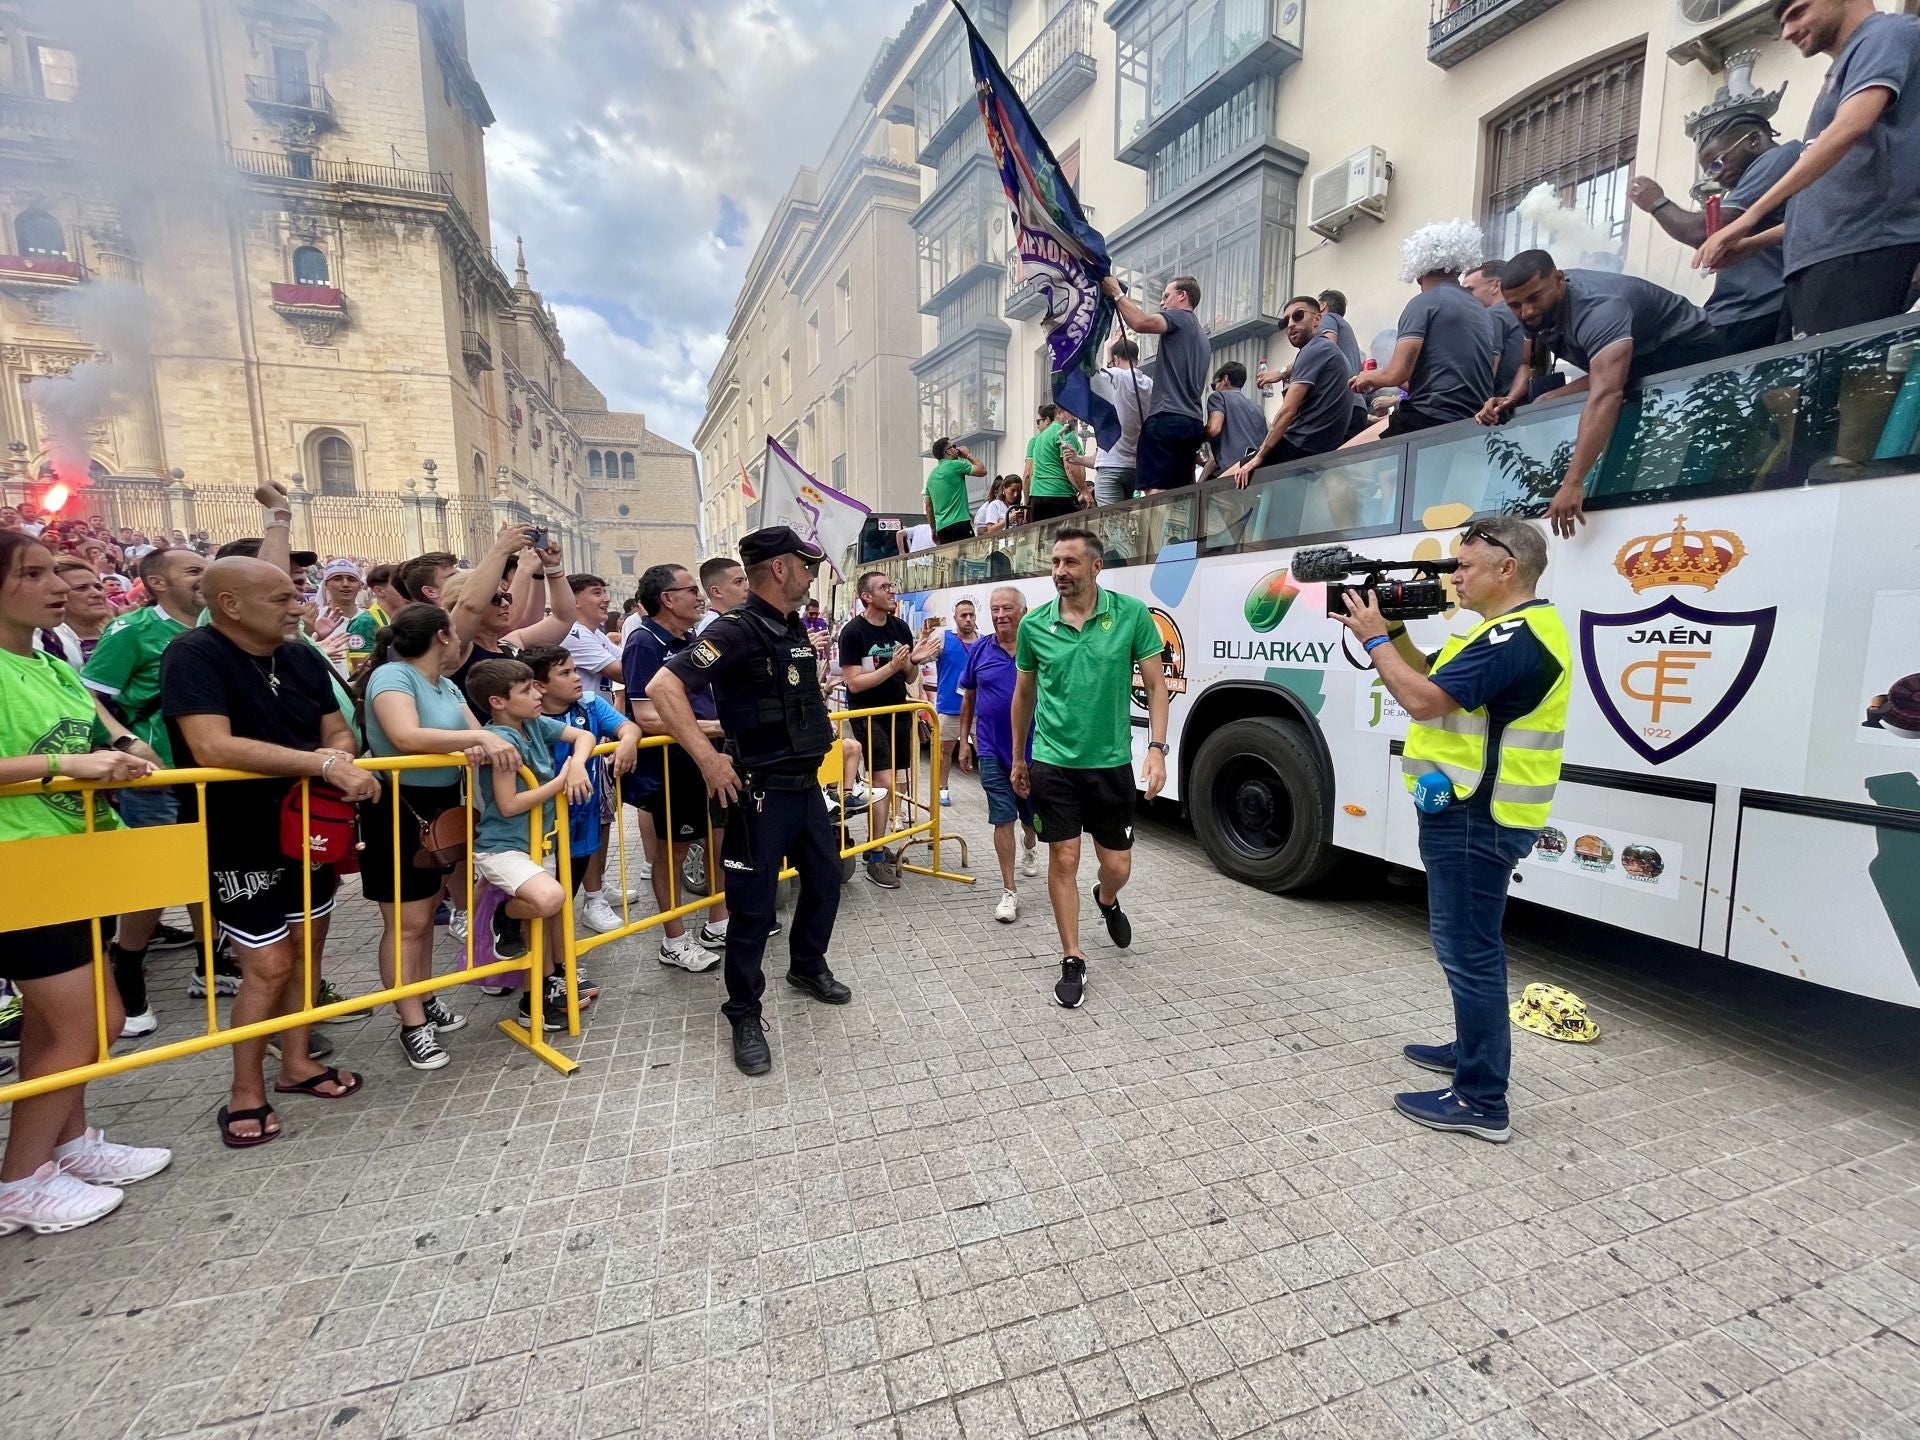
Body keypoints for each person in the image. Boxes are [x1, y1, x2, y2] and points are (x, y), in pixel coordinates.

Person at [1331, 518, 1569, 1144]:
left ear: (1507, 568)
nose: (1452, 576)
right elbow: (1430, 677)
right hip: (1470, 810)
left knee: (1468, 952)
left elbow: (1421, 701)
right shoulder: (1496, 632)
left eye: (1463, 565)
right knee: (1469, 946)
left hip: (1476, 816)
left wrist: (1376, 639)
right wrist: (1397, 631)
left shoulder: (1516, 636)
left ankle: (1481, 1100)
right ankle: (1470, 1050)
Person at [162, 557, 381, 1147]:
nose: (298, 604)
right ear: (230, 604)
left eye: (298, 594)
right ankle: (244, 1090)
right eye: (283, 597)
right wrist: (322, 763)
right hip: (235, 835)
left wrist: (333, 755)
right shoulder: (194, 654)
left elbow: (338, 728)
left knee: (307, 952)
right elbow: (211, 744)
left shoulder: (302, 654)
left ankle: (297, 1064)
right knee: (268, 966)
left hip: (307, 830)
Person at [0, 531, 173, 1234]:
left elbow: (105, 724)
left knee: (59, 1024)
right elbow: (57, 761)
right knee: (89, 1024)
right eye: (32, 573)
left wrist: (126, 746)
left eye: (54, 571)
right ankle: (19, 1182)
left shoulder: (45, 659)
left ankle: (65, 1146)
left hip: (73, 859)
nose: (57, 586)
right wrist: (60, 771)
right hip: (21, 867)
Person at [645, 526, 854, 1076]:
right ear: (780, 568)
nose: (812, 574)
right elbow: (664, 689)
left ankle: (807, 967)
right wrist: (708, 759)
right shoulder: (735, 631)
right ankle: (743, 1011)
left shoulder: (789, 627)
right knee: (753, 911)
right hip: (758, 795)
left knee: (826, 880)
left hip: (804, 788)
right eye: (805, 565)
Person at [1009, 528, 1170, 1010]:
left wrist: (1157, 748)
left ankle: (1106, 898)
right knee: (1063, 858)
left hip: (1111, 764)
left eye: (1070, 563)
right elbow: (1024, 696)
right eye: (1055, 562)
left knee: (1117, 865)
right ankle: (1073, 957)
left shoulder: (1130, 615)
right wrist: (1019, 757)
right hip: (1054, 764)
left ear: (1096, 567)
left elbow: (1157, 688)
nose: (1059, 571)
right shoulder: (1035, 625)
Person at [357, 602, 519, 1072]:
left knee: (424, 918)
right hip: (396, 808)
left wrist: (492, 741)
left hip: (440, 807)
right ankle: (410, 1023)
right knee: (406, 923)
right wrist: (482, 743)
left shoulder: (445, 685)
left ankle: (423, 1000)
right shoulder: (394, 678)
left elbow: (481, 733)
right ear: (444, 636)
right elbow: (405, 736)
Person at [1696, 0, 1920, 337]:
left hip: (1860, 255)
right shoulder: (1846, 66)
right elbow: (1835, 195)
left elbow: (1850, 127)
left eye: (1799, 12)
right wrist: (1756, 243)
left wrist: (1746, 218)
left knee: (1849, 385)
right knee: (1806, 387)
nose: (1787, 32)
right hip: (1822, 263)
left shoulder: (1886, 34)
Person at [1481, 251, 1720, 538]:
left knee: (1610, 399)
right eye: (1516, 305)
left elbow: (1606, 394)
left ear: (1559, 279)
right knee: (1547, 400)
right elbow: (1530, 361)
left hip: (1688, 353)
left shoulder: (1600, 310)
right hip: (1634, 358)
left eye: (1533, 299)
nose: (1527, 312)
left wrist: (1572, 482)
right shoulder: (1528, 305)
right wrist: (1513, 397)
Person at [83, 544, 214, 1036]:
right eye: (193, 570)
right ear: (157, 582)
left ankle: (210, 967)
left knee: (211, 874)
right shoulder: (130, 631)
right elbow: (88, 697)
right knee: (155, 884)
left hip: (210, 773)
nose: (204, 578)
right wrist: (125, 740)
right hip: (156, 778)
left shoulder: (217, 626)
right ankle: (128, 970)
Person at [464, 657, 596, 1032]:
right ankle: (500, 914)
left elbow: (583, 737)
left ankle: (534, 1000)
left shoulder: (533, 724)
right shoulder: (502, 741)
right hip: (505, 845)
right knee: (551, 899)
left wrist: (577, 764)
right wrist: (560, 782)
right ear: (497, 702)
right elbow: (508, 804)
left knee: (546, 922)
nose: (538, 693)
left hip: (540, 841)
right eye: (526, 690)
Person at [621, 563, 732, 968]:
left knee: (720, 839)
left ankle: (718, 921)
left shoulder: (689, 638)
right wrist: (714, 726)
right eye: (690, 590)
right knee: (674, 851)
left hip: (705, 757)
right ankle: (674, 938)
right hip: (673, 764)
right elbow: (646, 715)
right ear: (667, 599)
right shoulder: (643, 643)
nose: (700, 596)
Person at [522, 644, 640, 988]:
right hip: (537, 827)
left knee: (563, 897)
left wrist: (629, 741)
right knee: (538, 903)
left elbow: (626, 727)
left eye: (575, 670)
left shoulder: (589, 704)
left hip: (580, 823)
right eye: (566, 673)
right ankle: (536, 975)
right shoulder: (526, 717)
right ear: (539, 686)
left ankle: (559, 966)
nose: (577, 678)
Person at [1632, 119, 1802, 354]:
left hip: (1754, 310)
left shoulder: (1779, 157)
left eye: (1717, 164)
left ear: (1753, 140)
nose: (1716, 176)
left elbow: (1702, 232)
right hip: (1746, 310)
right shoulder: (1751, 180)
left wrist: (1656, 203)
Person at [838, 570, 939, 888]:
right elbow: (854, 683)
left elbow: (909, 678)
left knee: (894, 780)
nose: (892, 591)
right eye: (885, 587)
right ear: (867, 597)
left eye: (892, 585)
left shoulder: (899, 627)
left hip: (898, 714)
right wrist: (895, 666)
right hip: (869, 715)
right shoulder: (853, 632)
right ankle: (876, 855)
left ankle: (877, 846)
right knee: (881, 781)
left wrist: (913, 662)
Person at [1352, 221, 1499, 438]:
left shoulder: (1423, 303)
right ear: (1456, 267)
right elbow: (1445, 383)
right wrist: (1380, 379)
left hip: (1427, 419)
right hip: (1470, 423)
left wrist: (1368, 376)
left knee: (1345, 464)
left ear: (1418, 273)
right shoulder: (1479, 309)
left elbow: (1396, 373)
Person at [956, 586, 1040, 923]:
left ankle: (1031, 843)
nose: (1000, 615)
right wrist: (964, 740)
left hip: (1035, 751)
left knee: (1031, 814)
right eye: (995, 609)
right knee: (1001, 816)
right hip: (991, 747)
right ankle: (1009, 892)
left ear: (1023, 610)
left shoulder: (1038, 648)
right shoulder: (979, 649)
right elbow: (969, 697)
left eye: (1007, 608)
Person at [1222, 296, 1359, 489]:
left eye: (1298, 316)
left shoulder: (1314, 349)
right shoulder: (1328, 351)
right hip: (1317, 449)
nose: (1290, 325)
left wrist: (1260, 456)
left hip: (1300, 445)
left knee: (1222, 485)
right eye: (1285, 322)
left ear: (1317, 319)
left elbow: (1287, 411)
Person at [442, 527, 578, 720]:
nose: (506, 603)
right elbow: (470, 605)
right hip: (483, 747)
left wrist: (553, 567)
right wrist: (501, 550)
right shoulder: (457, 649)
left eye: (505, 596)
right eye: (495, 599)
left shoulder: (510, 644)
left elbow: (563, 619)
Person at [1101, 274, 1212, 492]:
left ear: (1182, 296)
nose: (1162, 303)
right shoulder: (1202, 337)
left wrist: (1116, 293)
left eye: (1166, 296)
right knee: (1179, 495)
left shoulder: (1179, 317)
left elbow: (1141, 323)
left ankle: (1155, 528)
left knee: (1155, 494)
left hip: (1166, 420)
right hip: (1191, 422)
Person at [1087, 337, 1153, 506]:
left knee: (1111, 523)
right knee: (1125, 521)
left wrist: (1108, 355)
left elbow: (1094, 378)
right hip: (1134, 465)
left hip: (1111, 462)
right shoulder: (1148, 384)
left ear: (1116, 358)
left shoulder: (1118, 375)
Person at [931, 598, 980, 807]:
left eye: (971, 615)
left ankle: (993, 789)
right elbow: (924, 657)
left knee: (985, 751)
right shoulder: (944, 639)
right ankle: (942, 788)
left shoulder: (983, 641)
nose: (968, 619)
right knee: (945, 750)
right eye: (963, 615)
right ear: (955, 618)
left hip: (978, 709)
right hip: (950, 707)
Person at [1461, 261, 1530, 399]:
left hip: (1496, 406)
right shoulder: (1524, 313)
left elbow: (1487, 370)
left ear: (1496, 286)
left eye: (1469, 290)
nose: (1464, 297)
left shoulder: (1493, 315)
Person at [35, 556, 112, 668]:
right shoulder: (42, 644)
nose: (97, 594)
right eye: (81, 588)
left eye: (98, 587)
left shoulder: (122, 634)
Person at [1200, 362, 1271, 481]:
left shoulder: (1219, 397)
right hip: (1254, 475)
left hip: (1231, 475)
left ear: (1225, 379)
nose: (1214, 390)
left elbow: (1214, 429)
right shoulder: (1258, 409)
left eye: (1214, 386)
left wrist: (1192, 438)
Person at [560, 573, 622, 701]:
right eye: (597, 593)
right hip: (583, 717)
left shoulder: (595, 633)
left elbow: (628, 658)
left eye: (605, 592)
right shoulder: (573, 633)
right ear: (575, 601)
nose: (607, 598)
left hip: (598, 714)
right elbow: (622, 673)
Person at [1022, 404, 1087, 522]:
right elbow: (1070, 467)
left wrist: (1027, 502)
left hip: (1037, 496)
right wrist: (1085, 492)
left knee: (1040, 538)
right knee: (1068, 537)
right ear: (1059, 413)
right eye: (1072, 412)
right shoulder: (1065, 433)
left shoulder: (1038, 439)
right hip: (1060, 494)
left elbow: (1029, 474)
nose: (1075, 417)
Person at [924, 438, 987, 544]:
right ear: (948, 451)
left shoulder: (931, 477)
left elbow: (928, 506)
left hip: (942, 528)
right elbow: (982, 470)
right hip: (960, 523)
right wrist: (968, 455)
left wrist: (933, 529)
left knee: (950, 560)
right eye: (954, 446)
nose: (957, 449)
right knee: (968, 558)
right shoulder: (955, 465)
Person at [344, 562, 402, 672]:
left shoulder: (408, 617)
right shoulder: (364, 623)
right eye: (399, 585)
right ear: (379, 591)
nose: (406, 590)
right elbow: (361, 670)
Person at [310, 559, 363, 673]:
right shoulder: (314, 619)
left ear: (359, 586)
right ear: (326, 585)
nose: (345, 584)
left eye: (352, 579)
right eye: (337, 579)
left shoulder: (371, 619)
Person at [694, 555, 749, 636]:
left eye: (746, 580)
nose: (747, 587)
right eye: (738, 582)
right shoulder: (712, 627)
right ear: (716, 592)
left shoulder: (734, 619)